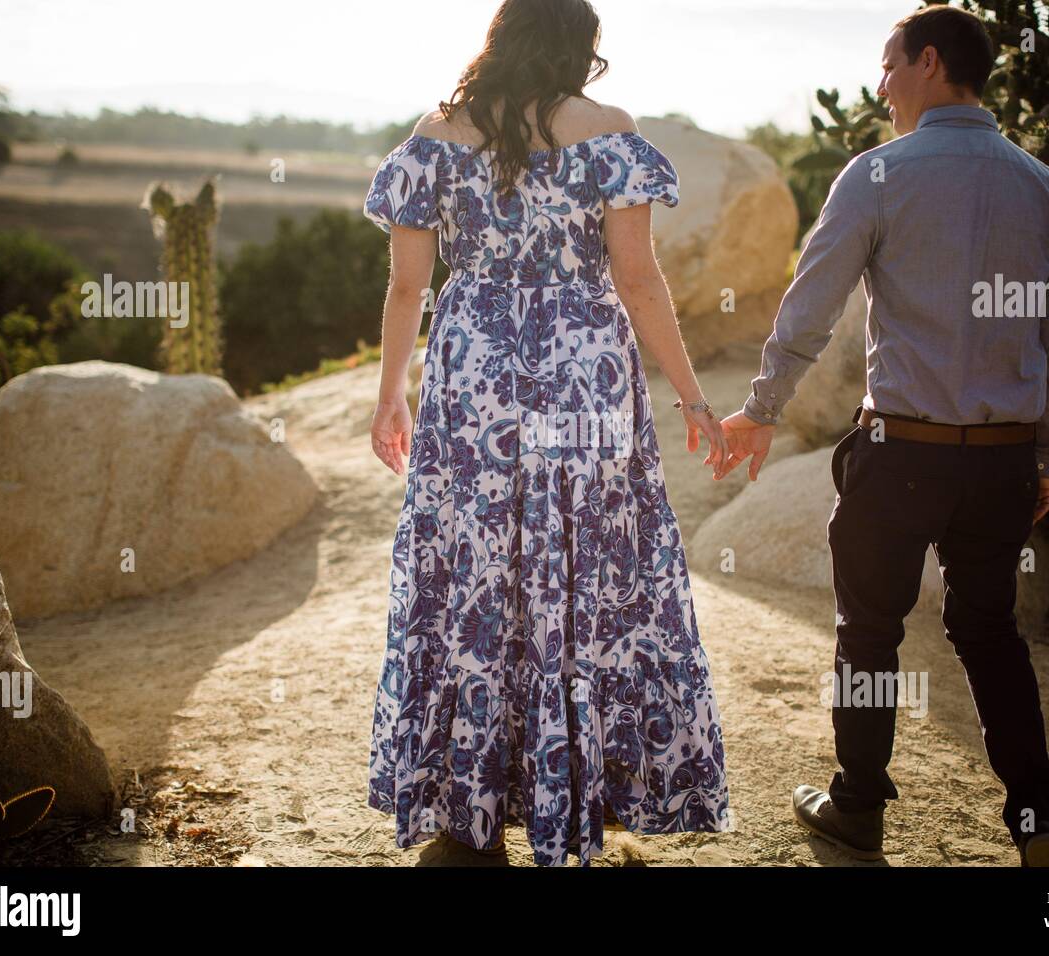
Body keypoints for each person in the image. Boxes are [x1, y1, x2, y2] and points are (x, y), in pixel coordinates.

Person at [363, 0, 731, 867]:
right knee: (585, 567)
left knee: (477, 570)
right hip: (583, 372)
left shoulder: (438, 133)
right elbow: (638, 280)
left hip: (472, 376)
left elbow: (407, 288)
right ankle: (580, 801)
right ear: (580, 43)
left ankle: (470, 811)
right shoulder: (607, 132)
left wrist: (390, 395)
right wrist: (691, 396)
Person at [720, 4, 1049, 867]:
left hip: (902, 453)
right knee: (991, 635)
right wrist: (1043, 452)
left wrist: (762, 409)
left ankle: (857, 809)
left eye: (887, 66)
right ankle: (1042, 834)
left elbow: (810, 307)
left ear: (927, 62)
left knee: (869, 633)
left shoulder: (877, 175)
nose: (880, 87)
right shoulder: (1045, 187)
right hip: (1000, 459)